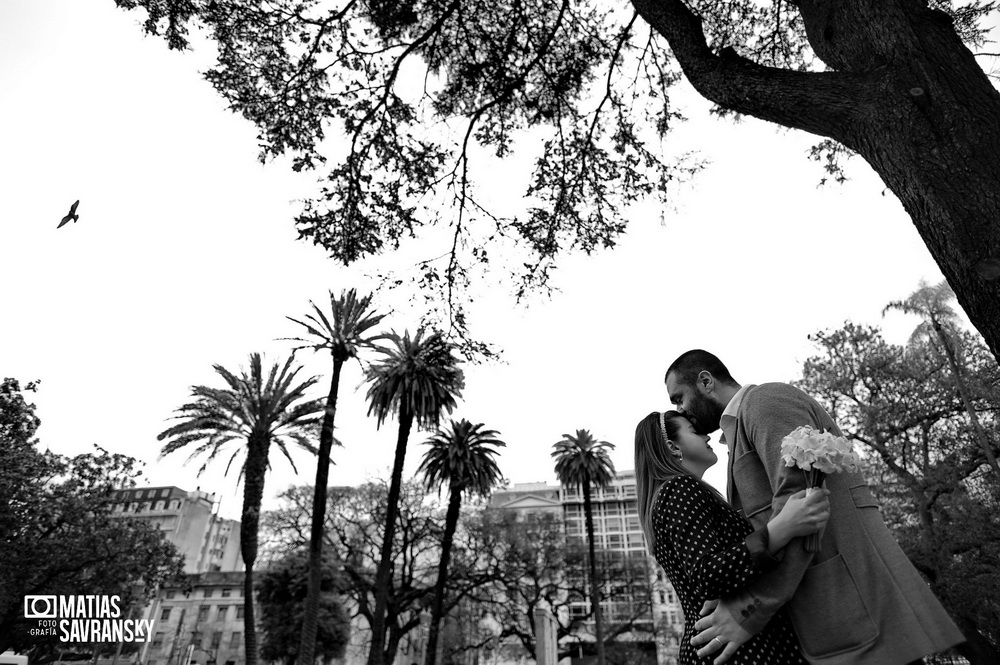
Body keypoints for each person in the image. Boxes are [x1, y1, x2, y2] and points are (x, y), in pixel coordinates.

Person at [664, 349, 965, 665]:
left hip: (854, 611)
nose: (681, 411)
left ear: (705, 381)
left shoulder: (765, 403)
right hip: (830, 622)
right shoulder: (738, 431)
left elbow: (803, 509)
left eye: (678, 398)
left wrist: (748, 609)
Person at [636, 410, 831, 664]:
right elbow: (707, 575)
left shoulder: (670, 496)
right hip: (738, 651)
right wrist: (781, 528)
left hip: (727, 645)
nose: (707, 436)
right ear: (673, 446)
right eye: (694, 431)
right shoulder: (680, 488)